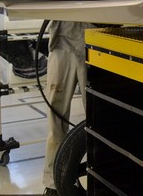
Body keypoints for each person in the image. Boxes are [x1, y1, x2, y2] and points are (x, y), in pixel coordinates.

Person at [42, 20, 91, 196]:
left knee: (97, 120)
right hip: (62, 41)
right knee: (56, 119)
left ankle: (98, 178)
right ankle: (53, 183)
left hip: (97, 41)